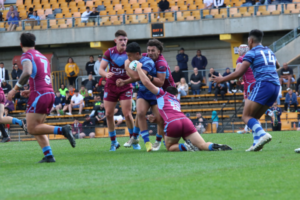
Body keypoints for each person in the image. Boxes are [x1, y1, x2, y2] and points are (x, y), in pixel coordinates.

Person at [7, 33, 75, 163]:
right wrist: (30, 90)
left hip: (39, 94)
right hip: (48, 92)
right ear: (35, 44)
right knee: (38, 126)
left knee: (31, 128)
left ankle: (62, 130)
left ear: (21, 44)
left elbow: (27, 72)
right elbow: (43, 76)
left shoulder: (27, 55)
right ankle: (48, 155)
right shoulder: (42, 56)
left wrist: (14, 89)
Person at [136, 62, 232, 152]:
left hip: (173, 122)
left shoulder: (162, 94)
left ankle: (185, 146)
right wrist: (157, 120)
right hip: (185, 120)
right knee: (202, 145)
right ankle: (213, 146)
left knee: (170, 147)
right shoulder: (177, 101)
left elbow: (146, 83)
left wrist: (139, 68)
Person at [213, 29, 280, 152]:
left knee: (245, 116)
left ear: (250, 40)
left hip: (263, 85)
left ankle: (263, 135)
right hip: (276, 85)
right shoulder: (269, 50)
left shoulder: (251, 53)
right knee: (254, 117)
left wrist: (221, 79)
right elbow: (278, 66)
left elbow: (239, 72)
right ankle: (256, 144)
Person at [116, 42, 160, 152]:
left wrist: (126, 67)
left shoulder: (147, 62)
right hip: (143, 93)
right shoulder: (135, 62)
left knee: (159, 119)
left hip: (154, 93)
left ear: (136, 54)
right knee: (140, 113)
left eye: (129, 55)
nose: (128, 58)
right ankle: (147, 143)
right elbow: (137, 78)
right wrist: (124, 82)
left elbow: (137, 76)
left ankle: (159, 141)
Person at [98, 30, 135, 151]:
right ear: (116, 41)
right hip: (111, 86)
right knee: (108, 114)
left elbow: (135, 70)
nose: (123, 42)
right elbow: (101, 69)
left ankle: (133, 140)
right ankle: (113, 142)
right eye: (121, 40)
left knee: (127, 114)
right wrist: (106, 74)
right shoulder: (109, 52)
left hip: (125, 85)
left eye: (125, 40)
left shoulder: (130, 53)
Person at [139, 38, 175, 150]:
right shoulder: (146, 56)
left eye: (153, 50)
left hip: (168, 92)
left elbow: (160, 82)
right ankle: (135, 137)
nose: (150, 53)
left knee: (162, 119)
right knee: (140, 113)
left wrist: (147, 77)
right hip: (155, 91)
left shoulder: (161, 62)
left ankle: (159, 141)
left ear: (159, 51)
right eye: (148, 50)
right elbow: (135, 56)